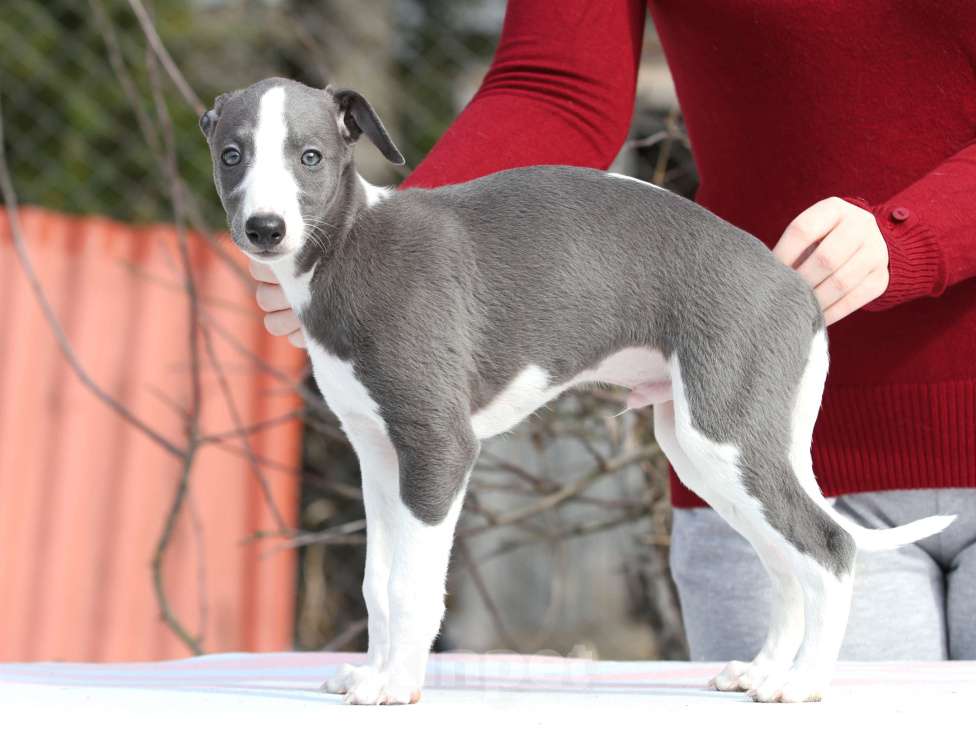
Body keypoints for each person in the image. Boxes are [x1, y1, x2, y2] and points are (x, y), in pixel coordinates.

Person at [251, 1, 976, 660]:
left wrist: (914, 237)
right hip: (742, 411)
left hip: (756, 340)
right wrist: (387, 265)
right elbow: (556, 86)